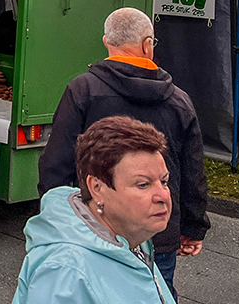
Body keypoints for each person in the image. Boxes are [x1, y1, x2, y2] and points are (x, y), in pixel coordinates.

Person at [38, 6, 209, 297]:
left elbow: (56, 164)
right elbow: (192, 170)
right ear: (147, 45)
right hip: (156, 230)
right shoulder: (180, 101)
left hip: (93, 225)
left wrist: (56, 217)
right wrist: (193, 227)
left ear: (107, 42)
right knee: (155, 293)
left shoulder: (83, 90)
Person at [12, 116, 176, 304]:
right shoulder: (66, 272)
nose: (163, 196)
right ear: (97, 188)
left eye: (163, 182)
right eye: (143, 184)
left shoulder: (132, 239)